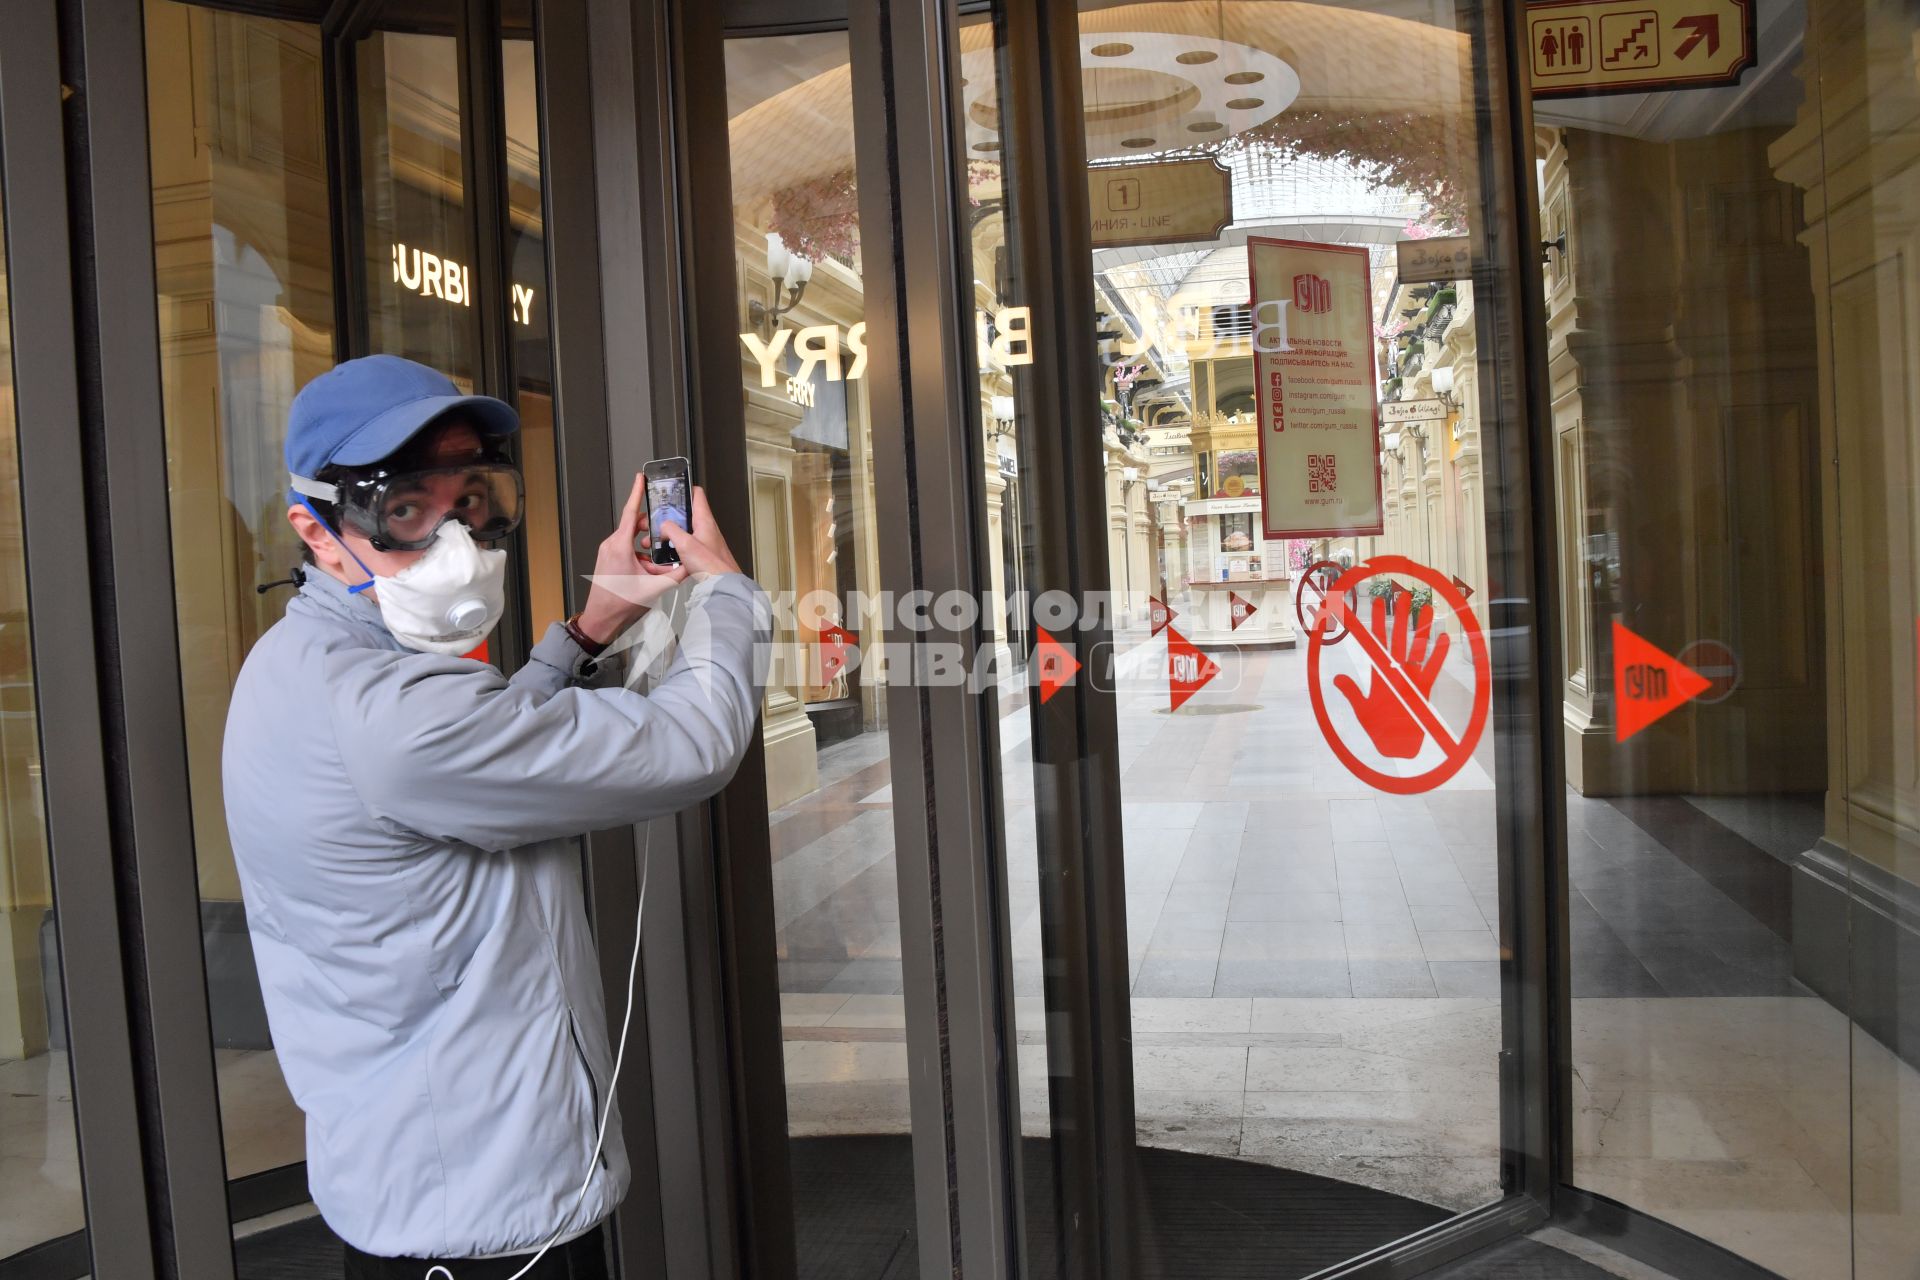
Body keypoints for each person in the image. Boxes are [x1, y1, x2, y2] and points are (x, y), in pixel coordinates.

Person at [221, 355, 770, 1278]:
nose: (455, 541)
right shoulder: (394, 714)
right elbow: (693, 745)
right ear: (316, 529)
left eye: (474, 500)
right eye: (404, 511)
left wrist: (591, 627)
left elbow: (464, 763)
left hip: (415, 1181)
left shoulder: (297, 663)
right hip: (486, 1218)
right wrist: (724, 593)